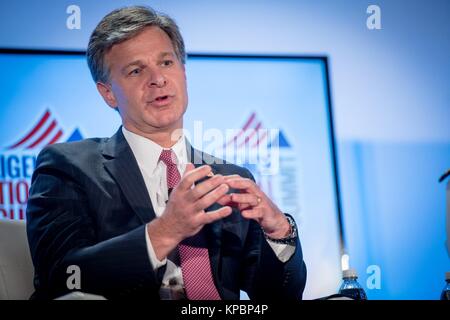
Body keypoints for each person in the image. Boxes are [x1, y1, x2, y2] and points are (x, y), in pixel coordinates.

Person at [26, 6, 307, 300]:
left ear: (183, 73)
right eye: (136, 70)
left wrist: (279, 232)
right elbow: (61, 278)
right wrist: (164, 232)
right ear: (108, 93)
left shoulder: (230, 179)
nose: (157, 79)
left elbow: (278, 297)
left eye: (166, 63)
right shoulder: (68, 167)